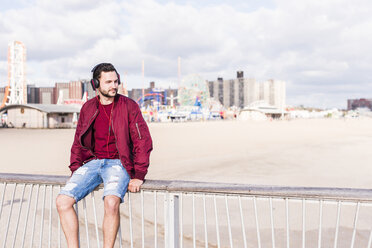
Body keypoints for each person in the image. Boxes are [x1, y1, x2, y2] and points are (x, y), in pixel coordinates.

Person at [56, 63, 153, 248]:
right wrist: (76, 168)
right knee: (62, 201)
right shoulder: (88, 108)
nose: (114, 86)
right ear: (96, 84)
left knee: (110, 202)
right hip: (93, 163)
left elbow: (143, 141)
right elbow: (78, 140)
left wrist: (139, 175)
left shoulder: (129, 106)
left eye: (116, 81)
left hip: (119, 163)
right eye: (108, 82)